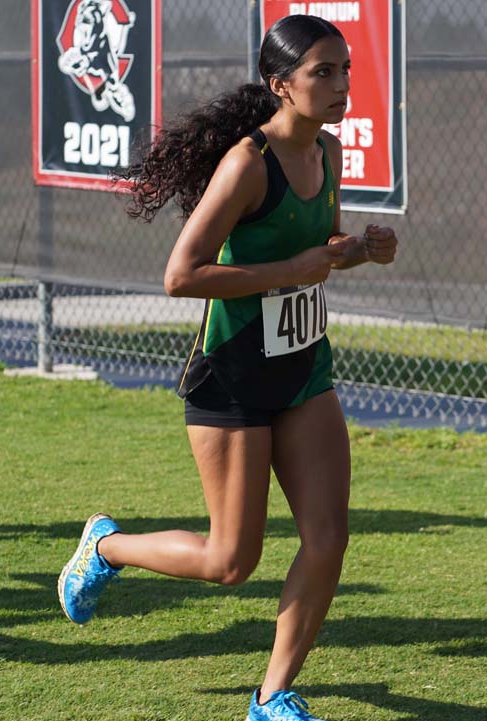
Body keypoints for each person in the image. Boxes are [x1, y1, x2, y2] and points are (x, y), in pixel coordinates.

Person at [57, 15, 397, 721]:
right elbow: (181, 275)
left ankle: (272, 696)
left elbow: (318, 248)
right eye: (323, 73)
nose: (340, 86)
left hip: (304, 370)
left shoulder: (328, 153)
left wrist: (362, 247)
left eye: (346, 71)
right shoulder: (247, 162)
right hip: (234, 375)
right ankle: (108, 545)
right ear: (281, 85)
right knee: (228, 561)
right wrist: (287, 271)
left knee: (327, 536)